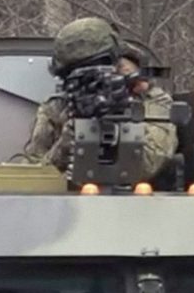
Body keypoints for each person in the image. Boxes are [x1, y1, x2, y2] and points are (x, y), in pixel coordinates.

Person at [21, 16, 178, 182]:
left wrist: (118, 115)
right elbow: (30, 178)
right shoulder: (56, 108)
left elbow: (149, 163)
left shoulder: (150, 98)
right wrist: (67, 141)